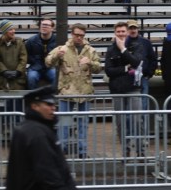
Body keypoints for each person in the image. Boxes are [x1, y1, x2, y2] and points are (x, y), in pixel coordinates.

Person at [45, 23, 101, 158]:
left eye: (82, 35)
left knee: (83, 124)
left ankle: (82, 152)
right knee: (64, 123)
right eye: (77, 35)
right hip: (67, 90)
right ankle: (61, 151)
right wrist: (57, 56)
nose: (79, 38)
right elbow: (47, 62)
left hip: (85, 91)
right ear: (72, 34)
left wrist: (90, 63)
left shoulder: (90, 50)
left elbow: (98, 68)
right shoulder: (62, 49)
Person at [5, 86, 77, 190]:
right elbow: (48, 173)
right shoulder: (38, 134)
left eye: (53, 104)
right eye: (48, 104)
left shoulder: (27, 129)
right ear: (35, 106)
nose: (53, 108)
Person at [105, 21, 146, 158]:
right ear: (115, 33)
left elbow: (136, 62)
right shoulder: (110, 49)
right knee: (121, 123)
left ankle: (141, 151)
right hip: (117, 89)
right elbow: (109, 71)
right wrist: (124, 69)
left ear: (127, 32)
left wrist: (123, 49)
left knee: (137, 120)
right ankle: (126, 150)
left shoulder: (137, 46)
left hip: (133, 88)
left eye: (123, 31)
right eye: (118, 32)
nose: (121, 34)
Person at [126, 19, 157, 110]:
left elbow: (153, 59)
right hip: (128, 77)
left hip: (143, 77)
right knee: (128, 106)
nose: (133, 30)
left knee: (144, 104)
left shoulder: (146, 42)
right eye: (130, 28)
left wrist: (149, 73)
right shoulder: (123, 42)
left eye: (134, 28)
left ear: (138, 29)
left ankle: (143, 123)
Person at [0, 19, 28, 94]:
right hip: (3, 80)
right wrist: (4, 71)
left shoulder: (20, 43)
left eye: (14, 29)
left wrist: (18, 72)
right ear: (4, 31)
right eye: (10, 29)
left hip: (18, 79)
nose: (13, 31)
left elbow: (23, 59)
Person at [25, 17, 57, 89]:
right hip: (35, 67)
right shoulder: (31, 41)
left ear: (52, 28)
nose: (44, 27)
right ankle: (33, 99)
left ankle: (52, 99)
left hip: (51, 67)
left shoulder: (57, 41)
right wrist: (35, 60)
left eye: (46, 25)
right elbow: (26, 56)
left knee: (56, 77)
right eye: (42, 25)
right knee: (31, 77)